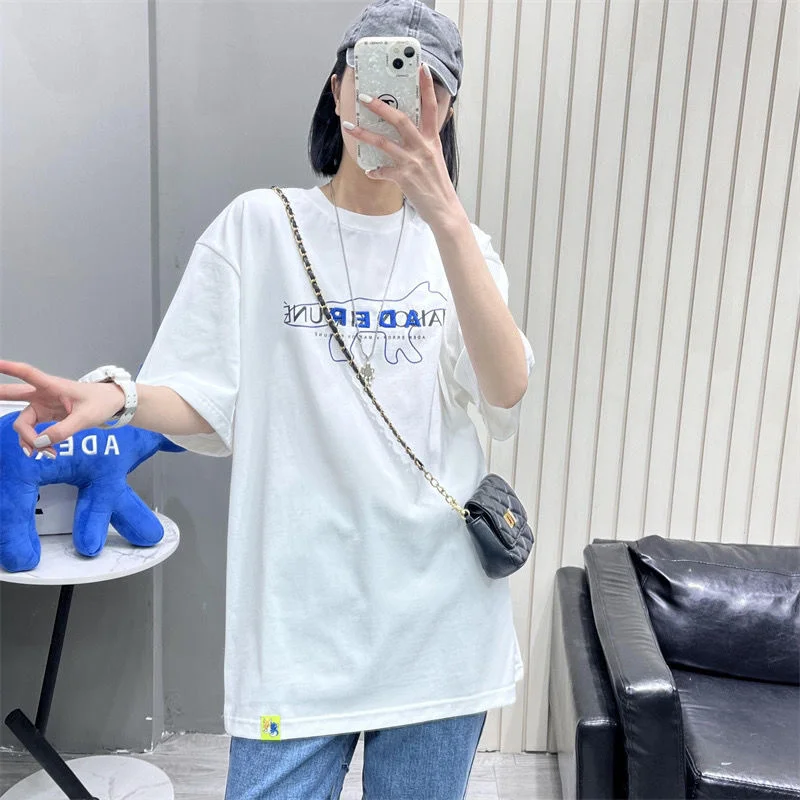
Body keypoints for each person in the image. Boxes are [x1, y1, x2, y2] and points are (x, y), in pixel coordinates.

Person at [0, 1, 535, 797]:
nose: (397, 105)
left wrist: (449, 218)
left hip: (439, 628)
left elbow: (506, 391)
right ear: (338, 88)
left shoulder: (460, 249)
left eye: (427, 92)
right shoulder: (260, 227)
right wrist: (117, 396)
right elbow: (205, 401)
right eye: (377, 78)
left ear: (447, 114)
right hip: (298, 626)